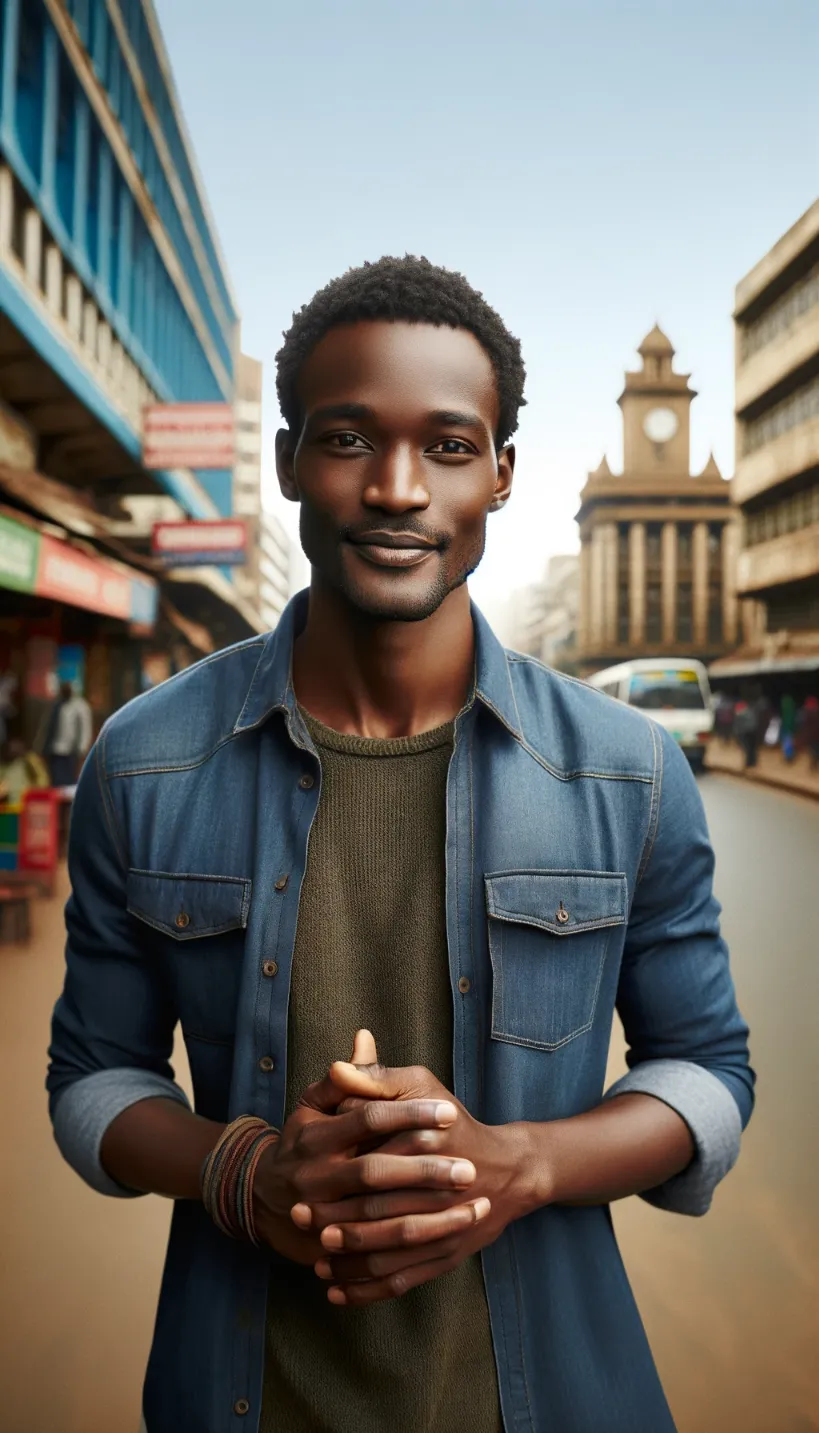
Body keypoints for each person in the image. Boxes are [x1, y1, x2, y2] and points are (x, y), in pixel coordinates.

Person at [47, 257, 754, 1433]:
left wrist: (523, 1163)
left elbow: (710, 1072)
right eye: (346, 438)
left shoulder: (630, 770)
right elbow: (92, 1080)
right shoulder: (145, 758)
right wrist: (241, 1170)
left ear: (502, 474)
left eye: (448, 444)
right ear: (286, 464)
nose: (394, 487)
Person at [44, 680, 92, 788]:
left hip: (71, 752)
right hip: (56, 750)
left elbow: (85, 730)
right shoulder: (58, 704)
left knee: (69, 783)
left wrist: (82, 751)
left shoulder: (80, 706)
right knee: (56, 782)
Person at [733, 699, 758, 768]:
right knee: (752, 748)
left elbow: (738, 726)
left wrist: (737, 734)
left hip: (746, 732)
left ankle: (749, 763)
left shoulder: (740, 714)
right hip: (753, 731)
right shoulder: (751, 712)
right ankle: (753, 762)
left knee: (747, 748)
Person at [797, 694, 819, 769]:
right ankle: (814, 764)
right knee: (814, 750)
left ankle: (813, 765)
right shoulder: (813, 712)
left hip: (812, 735)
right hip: (814, 735)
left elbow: (805, 725)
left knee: (814, 750)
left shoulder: (808, 712)